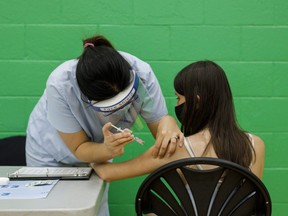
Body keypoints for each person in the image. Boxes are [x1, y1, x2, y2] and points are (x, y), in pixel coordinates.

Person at [25, 35, 182, 216]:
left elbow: (164, 140)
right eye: (112, 107)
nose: (122, 110)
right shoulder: (60, 85)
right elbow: (79, 147)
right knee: (50, 210)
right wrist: (108, 152)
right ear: (88, 98)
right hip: (51, 152)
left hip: (102, 151)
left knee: (93, 208)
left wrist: (167, 122)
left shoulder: (142, 73)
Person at [92, 60, 265, 182]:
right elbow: (252, 202)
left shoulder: (176, 148)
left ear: (196, 102)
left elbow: (108, 173)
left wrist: (95, 152)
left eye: (178, 98)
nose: (177, 104)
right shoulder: (255, 145)